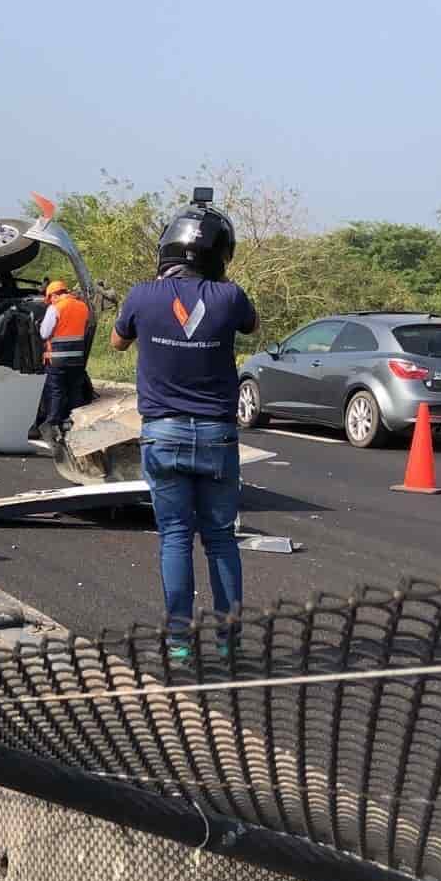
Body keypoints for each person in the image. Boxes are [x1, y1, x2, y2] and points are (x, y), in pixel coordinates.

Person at [110, 188, 256, 662]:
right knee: (219, 538)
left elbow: (116, 342)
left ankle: (177, 643)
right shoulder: (230, 296)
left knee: (174, 536)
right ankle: (228, 640)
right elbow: (251, 326)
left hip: (162, 433)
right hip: (216, 435)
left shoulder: (142, 296)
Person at [37, 279, 91, 444]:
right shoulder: (82, 306)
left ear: (54, 295)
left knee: (56, 391)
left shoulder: (55, 308)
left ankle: (53, 424)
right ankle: (77, 424)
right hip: (77, 359)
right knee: (75, 391)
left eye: (49, 298)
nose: (49, 302)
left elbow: (44, 333)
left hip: (58, 359)